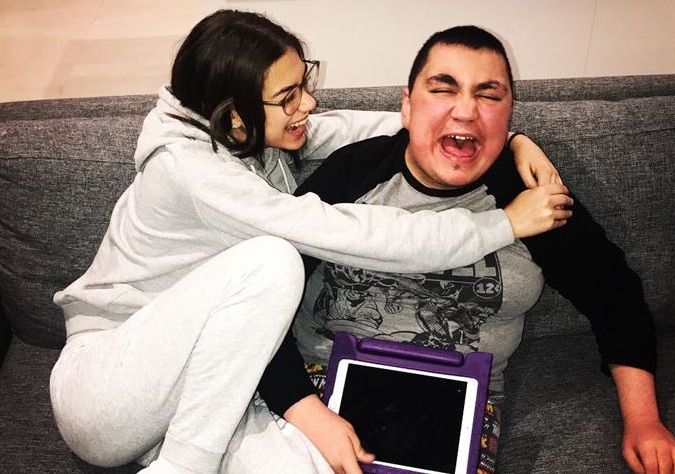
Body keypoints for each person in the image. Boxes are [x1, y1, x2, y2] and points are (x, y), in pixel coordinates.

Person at [48, 10, 568, 474]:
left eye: (304, 83)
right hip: (107, 385)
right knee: (273, 260)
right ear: (234, 114)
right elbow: (350, 232)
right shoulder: (193, 172)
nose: (309, 104)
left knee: (324, 463)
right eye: (289, 96)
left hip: (204, 376)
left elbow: (351, 127)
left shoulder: (247, 130)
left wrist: (499, 136)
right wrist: (501, 224)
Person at [276, 25, 675, 474]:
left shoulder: (530, 194)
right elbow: (262, 293)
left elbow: (614, 295)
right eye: (444, 88)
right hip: (324, 381)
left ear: (509, 113)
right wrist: (302, 406)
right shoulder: (354, 172)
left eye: (488, 95)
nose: (465, 111)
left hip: (457, 398)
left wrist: (645, 422)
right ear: (407, 104)